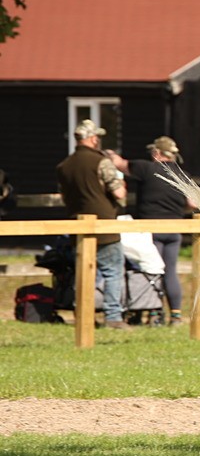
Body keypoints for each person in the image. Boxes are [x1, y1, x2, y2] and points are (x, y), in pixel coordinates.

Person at [107, 137, 195, 326]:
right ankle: (176, 315)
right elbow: (193, 203)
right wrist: (178, 209)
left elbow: (119, 164)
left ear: (156, 153)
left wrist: (109, 154)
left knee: (151, 270)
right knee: (170, 271)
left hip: (150, 229)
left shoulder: (146, 168)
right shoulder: (183, 174)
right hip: (175, 229)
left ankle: (155, 313)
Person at [56, 119, 130, 330]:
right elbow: (119, 193)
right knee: (112, 271)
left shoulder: (63, 166)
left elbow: (64, 196)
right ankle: (113, 317)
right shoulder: (101, 162)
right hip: (104, 226)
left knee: (84, 272)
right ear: (92, 138)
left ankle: (83, 313)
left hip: (77, 226)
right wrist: (122, 184)